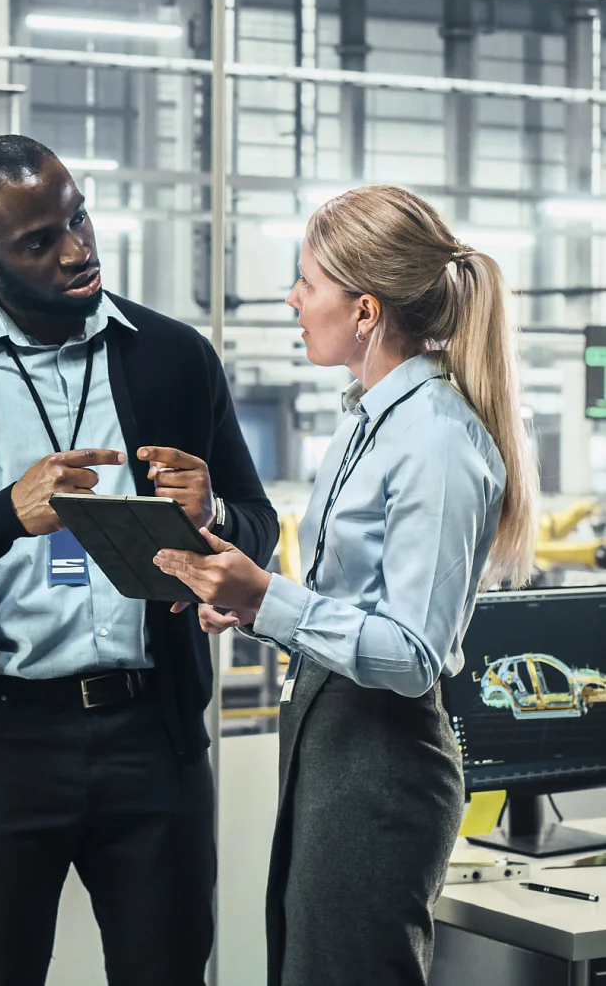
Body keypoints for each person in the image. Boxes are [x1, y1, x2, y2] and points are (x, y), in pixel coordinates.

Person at [0, 134, 279, 986]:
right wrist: (4, 515)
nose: (78, 250)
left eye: (78, 218)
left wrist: (217, 513)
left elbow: (256, 528)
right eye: (39, 241)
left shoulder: (174, 357)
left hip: (152, 738)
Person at [153, 185, 538, 986]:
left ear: (364, 311)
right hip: (329, 739)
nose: (291, 299)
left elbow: (411, 653)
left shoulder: (435, 441)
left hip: (382, 759)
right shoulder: (369, 422)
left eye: (306, 281)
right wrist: (248, 602)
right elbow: (353, 605)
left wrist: (267, 596)